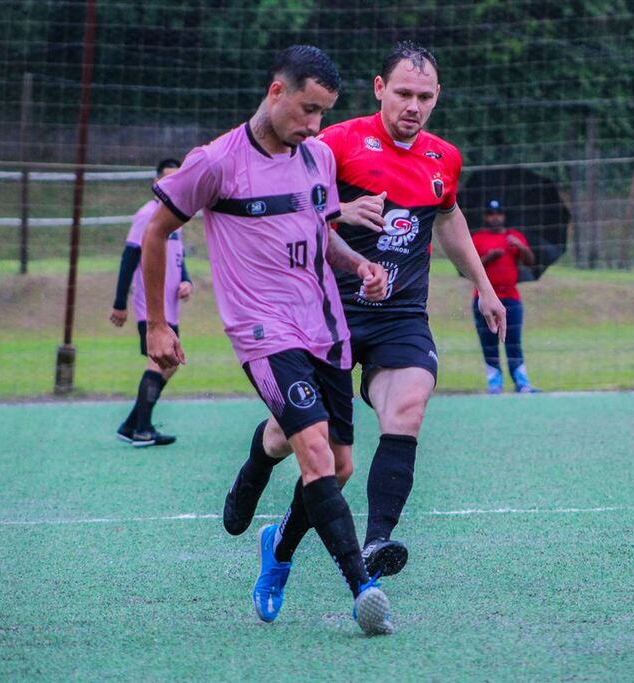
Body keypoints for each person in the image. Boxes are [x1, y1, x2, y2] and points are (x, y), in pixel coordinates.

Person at [222, 41, 507, 589]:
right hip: (327, 314)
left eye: (424, 97)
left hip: (401, 314)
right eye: (403, 93)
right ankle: (257, 465)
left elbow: (449, 218)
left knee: (408, 409)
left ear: (437, 96)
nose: (413, 106)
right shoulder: (336, 143)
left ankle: (372, 541)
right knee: (301, 443)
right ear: (379, 88)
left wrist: (484, 287)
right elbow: (289, 207)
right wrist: (341, 210)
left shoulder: (443, 158)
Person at [141, 45, 394, 636]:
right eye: (308, 109)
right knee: (315, 454)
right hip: (262, 332)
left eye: (324, 113)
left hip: (325, 327)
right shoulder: (215, 163)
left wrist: (358, 265)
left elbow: (321, 236)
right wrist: (157, 322)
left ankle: (274, 536)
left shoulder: (318, 158)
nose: (315, 125)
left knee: (339, 466)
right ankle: (364, 588)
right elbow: (156, 233)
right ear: (276, 91)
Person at [110, 158, 191, 447]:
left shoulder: (176, 214)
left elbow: (178, 257)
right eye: (166, 178)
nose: (171, 184)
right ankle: (142, 429)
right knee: (160, 362)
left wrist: (186, 280)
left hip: (171, 305)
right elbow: (129, 258)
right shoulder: (147, 214)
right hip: (151, 304)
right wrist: (119, 303)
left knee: (169, 363)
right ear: (155, 183)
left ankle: (131, 425)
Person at [470, 199, 539, 394]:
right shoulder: (477, 238)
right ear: (485, 217)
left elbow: (530, 261)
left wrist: (521, 247)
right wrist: (488, 258)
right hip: (484, 299)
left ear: (504, 216)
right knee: (488, 341)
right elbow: (469, 267)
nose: (495, 217)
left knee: (513, 340)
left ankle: (521, 381)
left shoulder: (513, 236)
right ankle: (494, 383)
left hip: (511, 298)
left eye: (498, 213)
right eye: (491, 214)